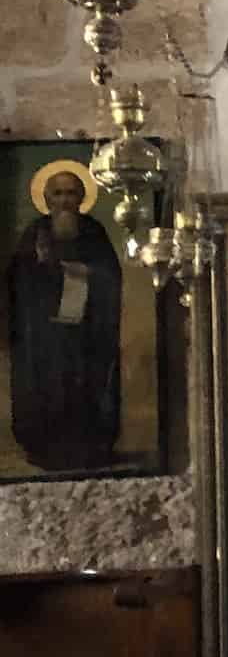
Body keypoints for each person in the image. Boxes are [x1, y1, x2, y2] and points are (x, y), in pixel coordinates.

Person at [7, 166, 122, 471]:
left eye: (71, 193)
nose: (65, 200)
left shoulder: (94, 232)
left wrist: (86, 273)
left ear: (82, 198)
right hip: (45, 334)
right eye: (57, 193)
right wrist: (40, 266)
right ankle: (44, 447)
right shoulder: (35, 233)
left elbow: (111, 275)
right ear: (46, 199)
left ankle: (89, 447)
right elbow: (18, 281)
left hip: (86, 332)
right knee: (47, 387)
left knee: (85, 386)